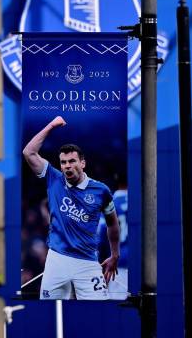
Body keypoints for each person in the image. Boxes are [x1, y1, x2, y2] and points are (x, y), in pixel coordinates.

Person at [22, 115, 120, 300]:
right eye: (64, 162)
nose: (67, 166)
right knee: (50, 313)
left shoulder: (101, 190)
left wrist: (115, 255)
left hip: (88, 262)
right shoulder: (54, 178)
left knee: (98, 313)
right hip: (57, 259)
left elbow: (113, 224)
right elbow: (29, 152)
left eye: (72, 161)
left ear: (82, 163)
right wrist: (51, 125)